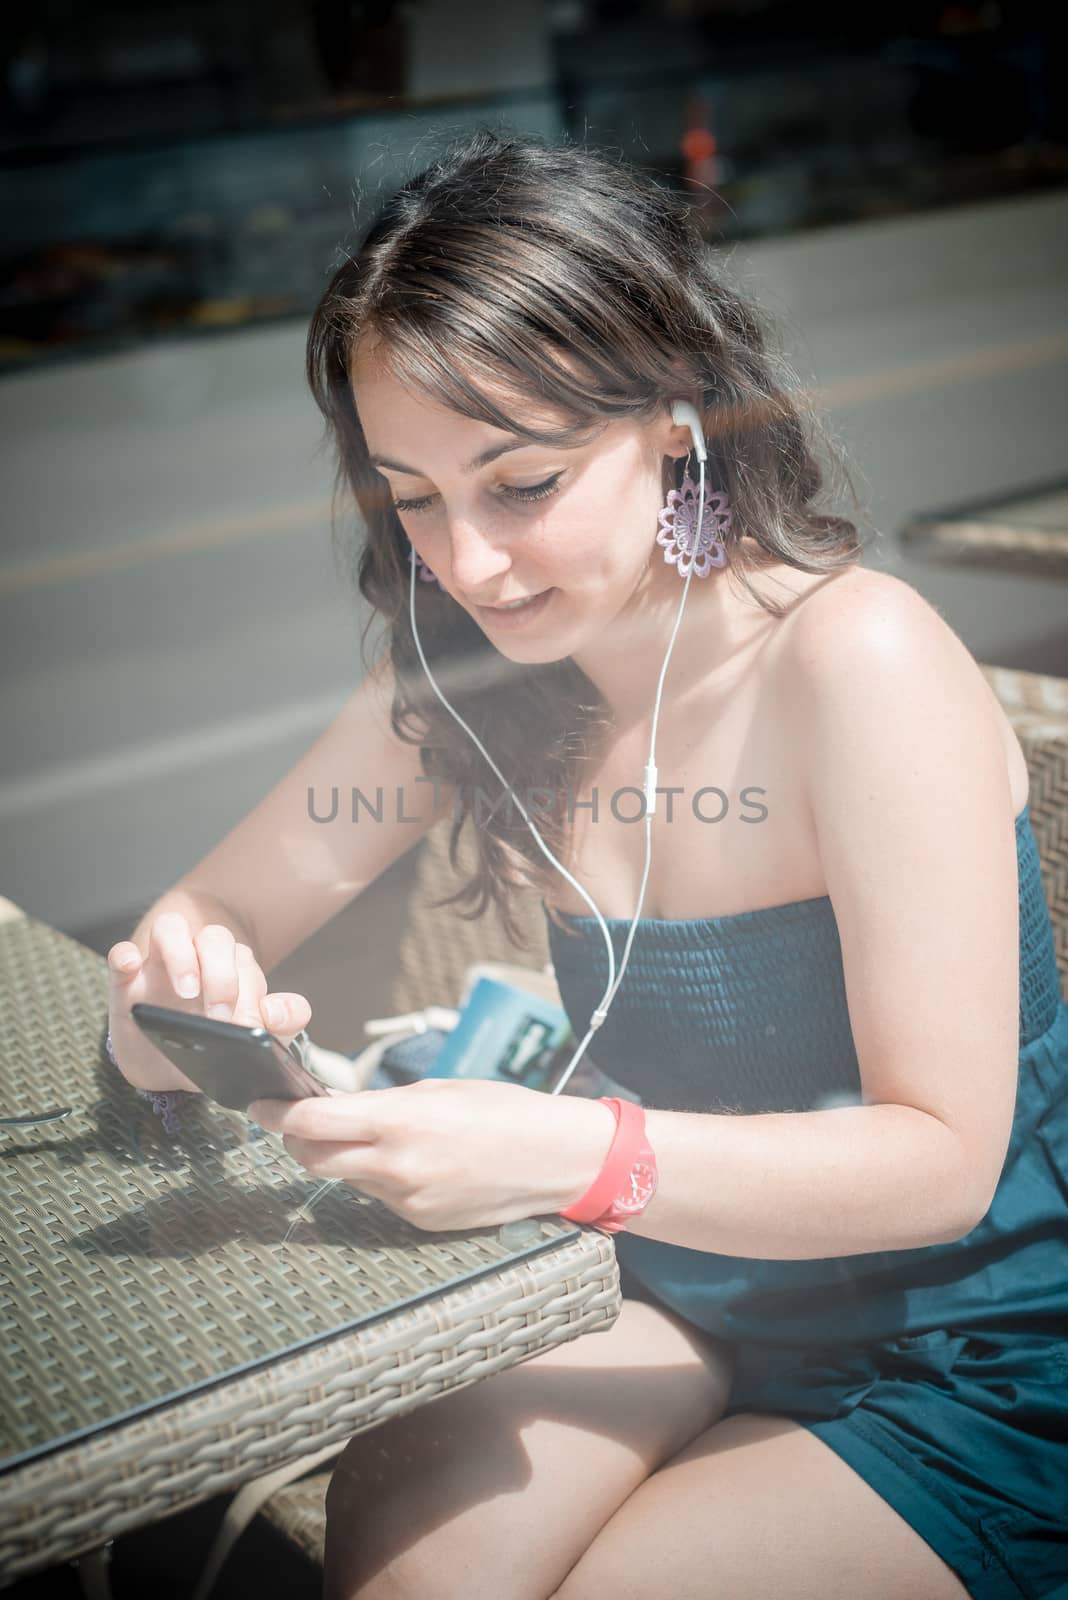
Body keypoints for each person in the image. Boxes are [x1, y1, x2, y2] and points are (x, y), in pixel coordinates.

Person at [107, 129, 1068, 1600]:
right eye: (410, 498)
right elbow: (215, 909)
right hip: (668, 1277)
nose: (470, 566)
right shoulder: (471, 686)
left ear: (678, 413)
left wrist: (568, 1152)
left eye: (525, 482)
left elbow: (940, 1162)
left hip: (963, 1338)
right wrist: (182, 977)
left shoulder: (854, 659)